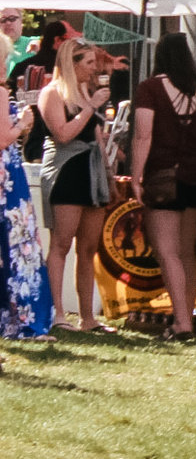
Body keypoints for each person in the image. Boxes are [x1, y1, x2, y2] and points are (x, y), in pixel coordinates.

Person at [125, 31, 196, 339]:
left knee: (167, 252)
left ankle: (181, 323)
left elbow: (142, 135)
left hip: (163, 177)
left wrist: (136, 177)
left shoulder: (149, 88)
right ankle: (187, 315)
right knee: (186, 252)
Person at [37, 35, 111, 331]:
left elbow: (95, 137)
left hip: (92, 172)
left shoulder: (86, 91)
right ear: (72, 62)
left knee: (89, 246)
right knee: (61, 243)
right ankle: (56, 313)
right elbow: (63, 134)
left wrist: (109, 172)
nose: (94, 68)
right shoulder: (52, 93)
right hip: (66, 170)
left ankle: (87, 317)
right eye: (89, 62)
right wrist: (90, 107)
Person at [0, 6, 54, 340]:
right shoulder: (1, 91)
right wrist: (25, 122)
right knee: (19, 247)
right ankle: (26, 318)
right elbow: (4, 137)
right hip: (7, 175)